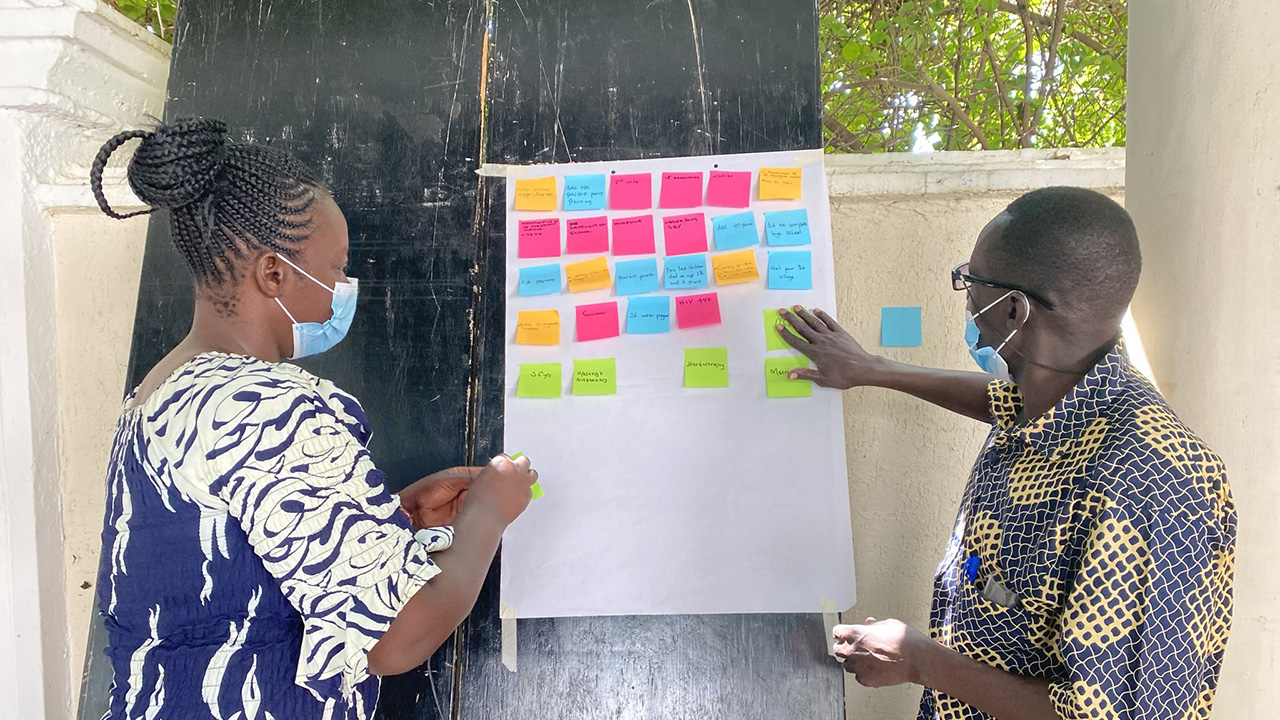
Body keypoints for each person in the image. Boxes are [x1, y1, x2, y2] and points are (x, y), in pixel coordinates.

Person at [88, 117, 536, 720]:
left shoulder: (154, 396)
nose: (345, 285)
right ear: (274, 273)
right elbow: (395, 636)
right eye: (336, 268)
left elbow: (229, 559)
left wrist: (391, 514)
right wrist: (489, 512)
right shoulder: (266, 405)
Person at [777, 187, 1235, 720]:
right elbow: (1000, 401)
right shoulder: (1053, 403)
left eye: (970, 282)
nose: (967, 300)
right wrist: (873, 370)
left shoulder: (1152, 483)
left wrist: (920, 661)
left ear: (1014, 308)